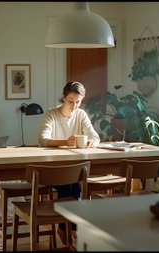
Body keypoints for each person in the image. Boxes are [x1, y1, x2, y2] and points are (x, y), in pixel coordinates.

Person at [38, 81, 100, 243]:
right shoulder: (51, 114)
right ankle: (72, 230)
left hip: (75, 168)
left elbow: (94, 135)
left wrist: (93, 141)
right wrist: (64, 142)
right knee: (72, 185)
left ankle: (66, 230)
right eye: (71, 101)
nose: (74, 105)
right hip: (53, 168)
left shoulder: (81, 115)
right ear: (63, 97)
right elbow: (43, 141)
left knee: (75, 183)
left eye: (78, 102)